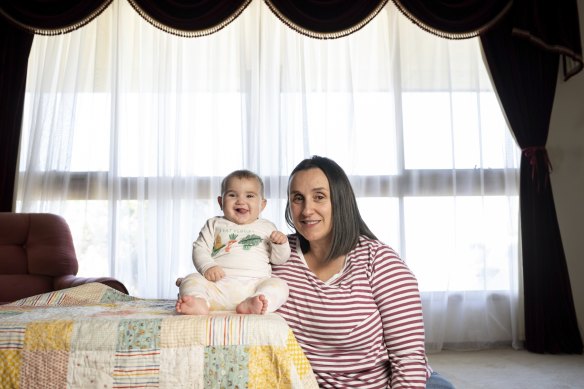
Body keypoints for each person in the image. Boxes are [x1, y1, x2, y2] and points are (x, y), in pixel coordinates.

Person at [272, 156, 455, 389]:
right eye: (298, 198)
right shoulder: (277, 256)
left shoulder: (379, 261)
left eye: (319, 197)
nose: (307, 210)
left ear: (340, 200)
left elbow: (408, 357)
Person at [176, 169, 290, 315]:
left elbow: (279, 259)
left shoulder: (267, 227)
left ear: (262, 204)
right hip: (217, 286)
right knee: (190, 279)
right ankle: (199, 302)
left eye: (249, 195)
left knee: (280, 286)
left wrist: (280, 244)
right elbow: (200, 248)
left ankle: (256, 303)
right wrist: (208, 266)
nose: (241, 201)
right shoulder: (214, 224)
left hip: (254, 286)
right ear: (220, 202)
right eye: (232, 195)